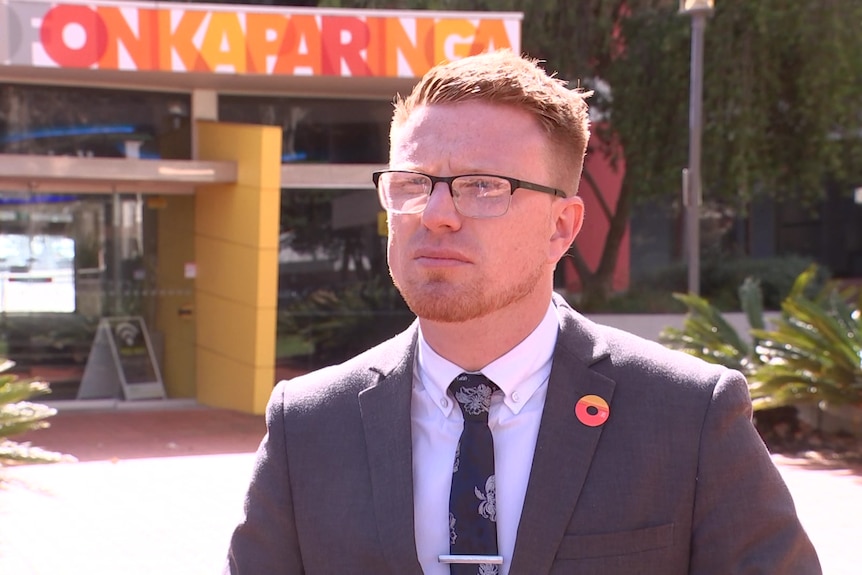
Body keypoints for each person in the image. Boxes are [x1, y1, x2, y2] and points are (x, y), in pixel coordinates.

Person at [225, 49, 821, 575]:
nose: (435, 214)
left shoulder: (687, 417)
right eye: (413, 183)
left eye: (482, 186)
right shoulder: (308, 427)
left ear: (562, 227)